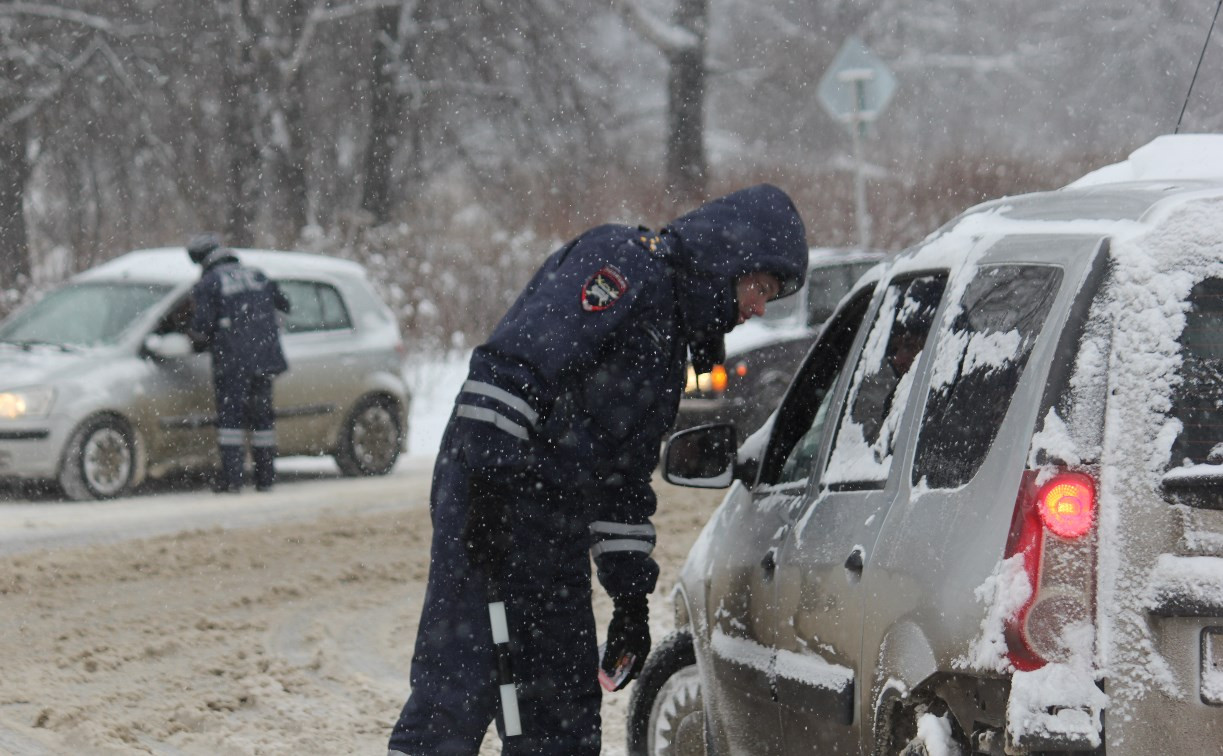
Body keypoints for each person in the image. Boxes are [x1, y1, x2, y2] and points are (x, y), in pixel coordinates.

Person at [386, 184, 809, 756]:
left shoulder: (668, 345)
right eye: (761, 288)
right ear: (732, 262)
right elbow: (514, 366)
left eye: (772, 298)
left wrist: (630, 598)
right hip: (495, 495)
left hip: (553, 522)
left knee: (562, 715)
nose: (760, 307)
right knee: (458, 692)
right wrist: (486, 487)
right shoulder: (622, 267)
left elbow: (621, 483)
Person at [187, 234, 291, 493]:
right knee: (262, 420)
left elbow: (201, 328)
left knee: (231, 422)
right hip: (265, 358)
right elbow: (285, 305)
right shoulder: (258, 275)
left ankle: (233, 480)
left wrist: (195, 338)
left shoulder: (209, 283)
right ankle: (265, 478)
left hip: (233, 362)